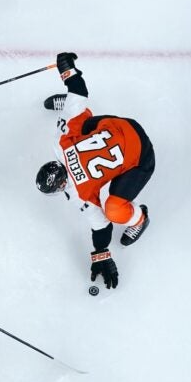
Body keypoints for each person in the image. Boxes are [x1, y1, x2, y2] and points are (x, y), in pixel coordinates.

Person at [36, 52, 155, 289]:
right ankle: (66, 104)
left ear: (61, 186)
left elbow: (102, 225)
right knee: (75, 120)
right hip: (125, 125)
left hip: (142, 156)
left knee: (113, 209)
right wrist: (66, 68)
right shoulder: (59, 143)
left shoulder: (78, 193)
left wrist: (101, 253)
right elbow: (79, 91)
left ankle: (139, 219)